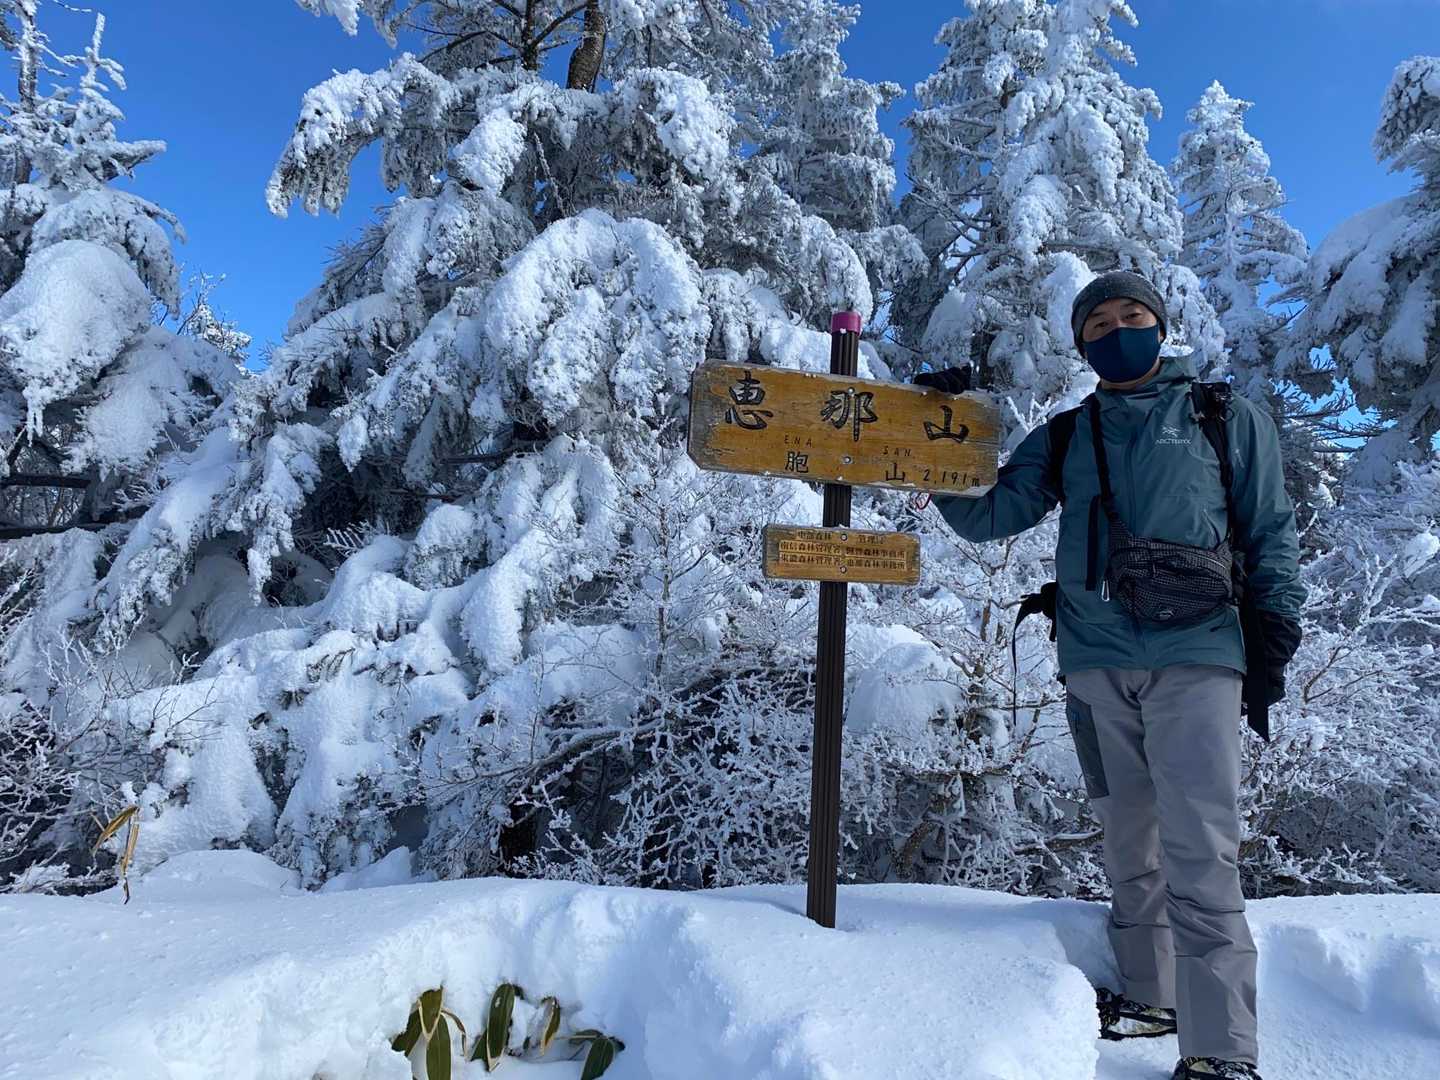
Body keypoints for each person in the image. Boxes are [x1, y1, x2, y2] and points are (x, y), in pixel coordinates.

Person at [917, 270, 1304, 1080]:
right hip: (1094, 662)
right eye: (1099, 322)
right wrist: (939, 434)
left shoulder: (1223, 417)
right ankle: (1149, 995)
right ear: (1082, 342)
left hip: (1197, 657)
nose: (1118, 329)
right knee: (1130, 839)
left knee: (1201, 851)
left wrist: (1275, 630)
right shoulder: (1065, 436)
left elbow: (1270, 529)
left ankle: (1222, 1051)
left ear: (1160, 327)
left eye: (1133, 315)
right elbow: (990, 517)